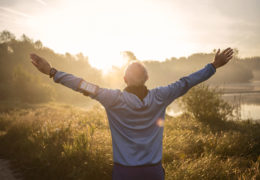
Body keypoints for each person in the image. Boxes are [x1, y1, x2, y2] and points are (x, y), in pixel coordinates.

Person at [30, 48, 233, 180]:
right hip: (153, 172)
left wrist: (52, 72)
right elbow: (187, 82)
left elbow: (82, 85)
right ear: (147, 78)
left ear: (124, 79)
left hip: (124, 172)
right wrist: (213, 65)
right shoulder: (161, 96)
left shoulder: (112, 98)